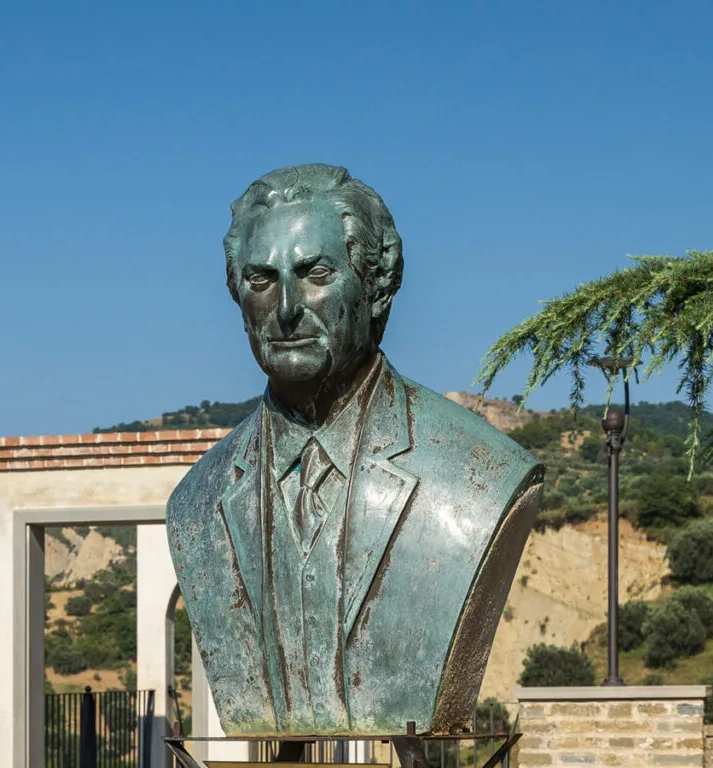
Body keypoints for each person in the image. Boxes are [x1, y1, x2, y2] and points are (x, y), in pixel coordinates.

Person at [168, 164, 543, 735]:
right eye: (262, 280)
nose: (288, 307)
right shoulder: (198, 502)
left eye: (316, 273)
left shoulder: (478, 478)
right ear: (237, 296)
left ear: (377, 285)